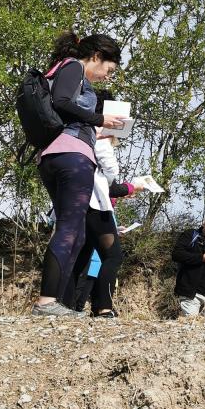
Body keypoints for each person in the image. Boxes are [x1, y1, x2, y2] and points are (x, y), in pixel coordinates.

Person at [32, 32, 126, 317]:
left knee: (78, 233)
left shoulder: (64, 68)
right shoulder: (73, 65)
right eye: (108, 70)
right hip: (73, 157)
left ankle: (56, 302)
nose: (107, 77)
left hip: (55, 154)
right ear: (96, 56)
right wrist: (100, 119)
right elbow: (61, 101)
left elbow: (63, 106)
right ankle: (47, 302)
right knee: (70, 229)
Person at [64, 92, 145, 317]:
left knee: (80, 257)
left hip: (76, 201)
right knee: (113, 256)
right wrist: (131, 186)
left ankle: (67, 306)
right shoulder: (98, 134)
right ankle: (102, 307)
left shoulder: (75, 130)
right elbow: (109, 171)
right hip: (94, 204)